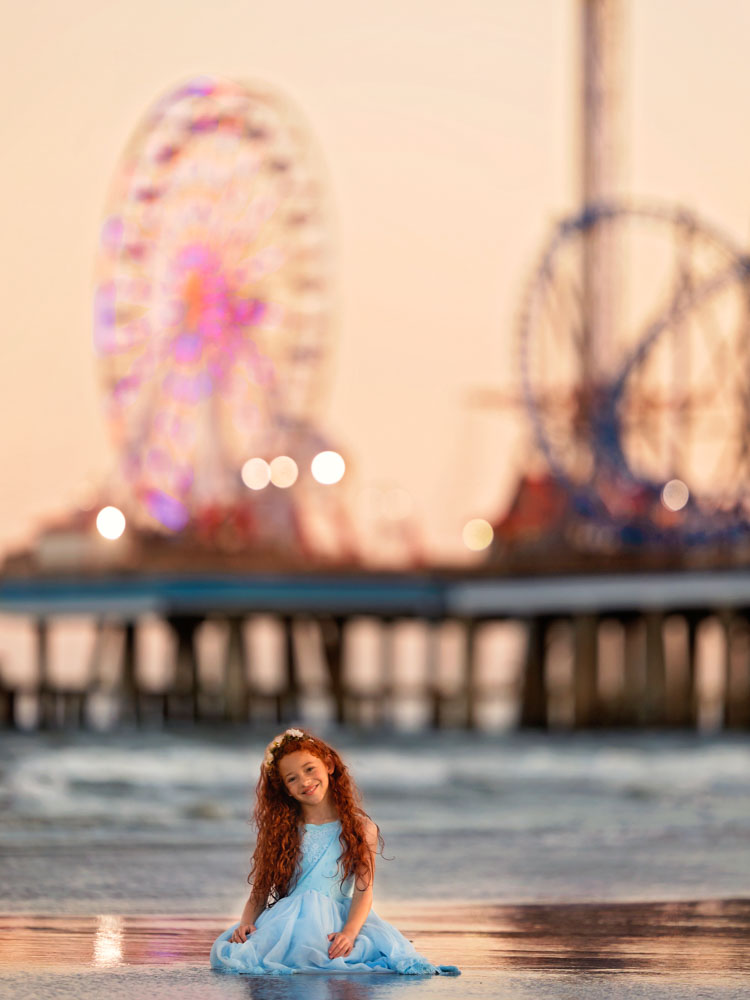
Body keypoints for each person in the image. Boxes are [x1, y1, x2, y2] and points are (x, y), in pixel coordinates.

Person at [210, 728, 460, 976]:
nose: (305, 781)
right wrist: (246, 922)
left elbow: (364, 891)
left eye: (309, 769)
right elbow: (261, 889)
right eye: (292, 778)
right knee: (244, 953)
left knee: (342, 956)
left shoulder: (360, 827)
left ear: (328, 765)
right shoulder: (280, 831)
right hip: (287, 923)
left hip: (337, 921)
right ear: (285, 788)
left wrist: (350, 933)